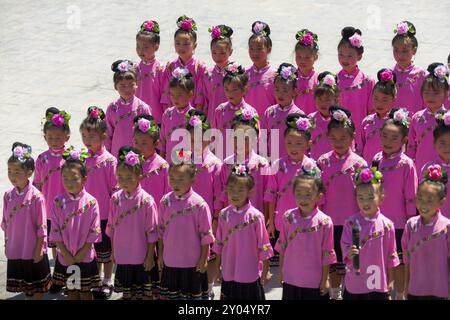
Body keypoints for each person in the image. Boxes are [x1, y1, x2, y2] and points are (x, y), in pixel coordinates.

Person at [213, 164, 273, 300]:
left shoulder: (256, 217)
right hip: (229, 271)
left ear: (250, 192)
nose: (235, 194)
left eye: (240, 190)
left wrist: (266, 270)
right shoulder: (223, 215)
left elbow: (264, 245)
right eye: (231, 189)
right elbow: (219, 244)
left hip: (250, 273)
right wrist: (217, 269)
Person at [341, 167, 400, 300]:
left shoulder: (387, 225)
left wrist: (391, 280)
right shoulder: (350, 222)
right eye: (360, 198)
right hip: (356, 280)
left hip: (378, 280)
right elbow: (345, 244)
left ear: (381, 198)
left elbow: (391, 255)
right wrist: (348, 252)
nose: (365, 202)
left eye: (370, 197)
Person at [2, 143, 52, 299]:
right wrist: (7, 243)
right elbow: (5, 223)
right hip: (17, 247)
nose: (12, 176)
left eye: (17, 172)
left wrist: (38, 249)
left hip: (32, 249)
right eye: (10, 171)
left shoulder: (37, 197)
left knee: (37, 286)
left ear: (29, 172)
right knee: (25, 284)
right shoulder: (8, 195)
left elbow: (42, 227)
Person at [402, 164, 450, 300]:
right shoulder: (411, 225)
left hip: (440, 290)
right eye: (420, 199)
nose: (423, 205)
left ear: (441, 203)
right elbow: (407, 260)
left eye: (430, 200)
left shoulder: (447, 227)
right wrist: (406, 286)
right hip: (415, 290)